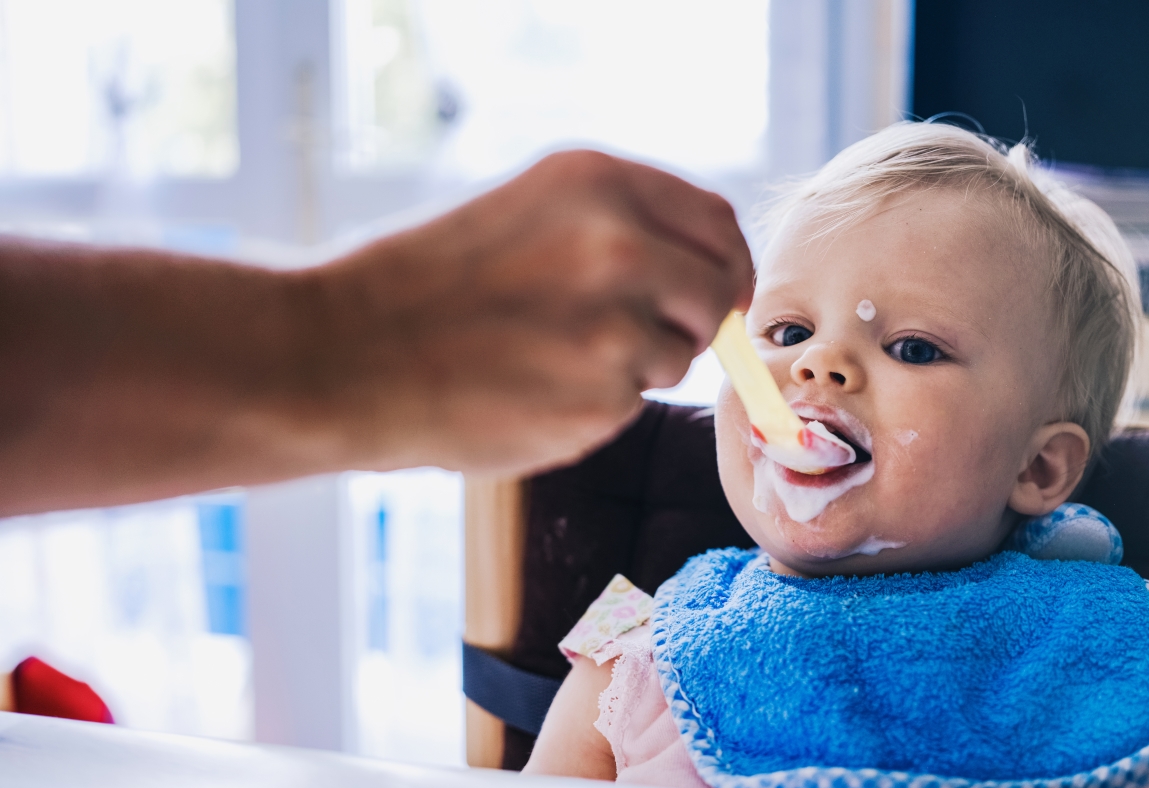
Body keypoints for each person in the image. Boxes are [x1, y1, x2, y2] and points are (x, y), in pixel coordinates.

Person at [521, 124, 1149, 788]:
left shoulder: (1078, 655)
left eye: (911, 347)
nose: (818, 366)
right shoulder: (635, 655)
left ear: (1041, 471)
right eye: (787, 332)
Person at [0, 150, 753, 518]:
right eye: (787, 332)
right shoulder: (650, 622)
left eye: (882, 344)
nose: (821, 369)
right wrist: (352, 341)